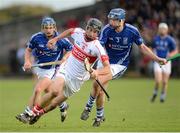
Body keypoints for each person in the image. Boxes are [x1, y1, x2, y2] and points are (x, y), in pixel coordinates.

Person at [15, 18, 112, 125]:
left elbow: (107, 69)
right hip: (65, 69)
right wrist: (56, 39)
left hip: (77, 79)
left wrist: (97, 72)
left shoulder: (97, 47)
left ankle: (39, 113)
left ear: (98, 33)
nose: (91, 33)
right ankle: (30, 113)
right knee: (54, 91)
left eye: (95, 31)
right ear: (87, 28)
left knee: (55, 103)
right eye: (90, 29)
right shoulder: (79, 32)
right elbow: (70, 31)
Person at [80, 8, 167, 127]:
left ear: (121, 21)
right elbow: (99, 47)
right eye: (110, 19)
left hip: (119, 65)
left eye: (114, 20)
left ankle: (88, 107)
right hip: (105, 61)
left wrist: (157, 59)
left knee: (98, 82)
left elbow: (143, 48)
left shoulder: (132, 31)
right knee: (100, 90)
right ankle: (100, 117)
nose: (110, 22)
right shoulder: (106, 29)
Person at [16, 16, 72, 123]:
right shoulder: (36, 37)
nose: (48, 30)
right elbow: (28, 50)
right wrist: (27, 61)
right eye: (46, 27)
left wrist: (64, 58)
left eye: (50, 27)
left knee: (38, 89)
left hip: (53, 69)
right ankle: (62, 105)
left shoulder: (61, 39)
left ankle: (29, 113)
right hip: (41, 68)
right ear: (42, 28)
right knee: (49, 91)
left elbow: (71, 49)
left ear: (54, 28)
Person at [150, 22, 177, 103]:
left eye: (164, 28)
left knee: (165, 82)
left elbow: (175, 50)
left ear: (167, 30)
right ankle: (155, 92)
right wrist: (152, 55)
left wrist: (170, 55)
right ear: (159, 29)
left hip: (167, 62)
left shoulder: (170, 40)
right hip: (158, 62)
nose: (162, 30)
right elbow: (151, 48)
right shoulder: (155, 39)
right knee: (158, 81)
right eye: (161, 28)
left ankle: (163, 95)